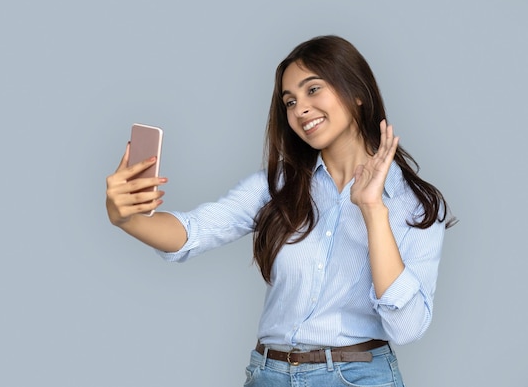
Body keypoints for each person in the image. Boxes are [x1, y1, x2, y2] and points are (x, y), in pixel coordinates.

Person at [105, 35, 455, 387]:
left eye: (313, 89)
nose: (300, 109)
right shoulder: (277, 186)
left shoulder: (416, 205)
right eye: (290, 101)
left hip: (358, 377)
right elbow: (192, 232)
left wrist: (373, 211)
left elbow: (407, 327)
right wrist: (127, 218)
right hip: (269, 375)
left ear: (358, 92)